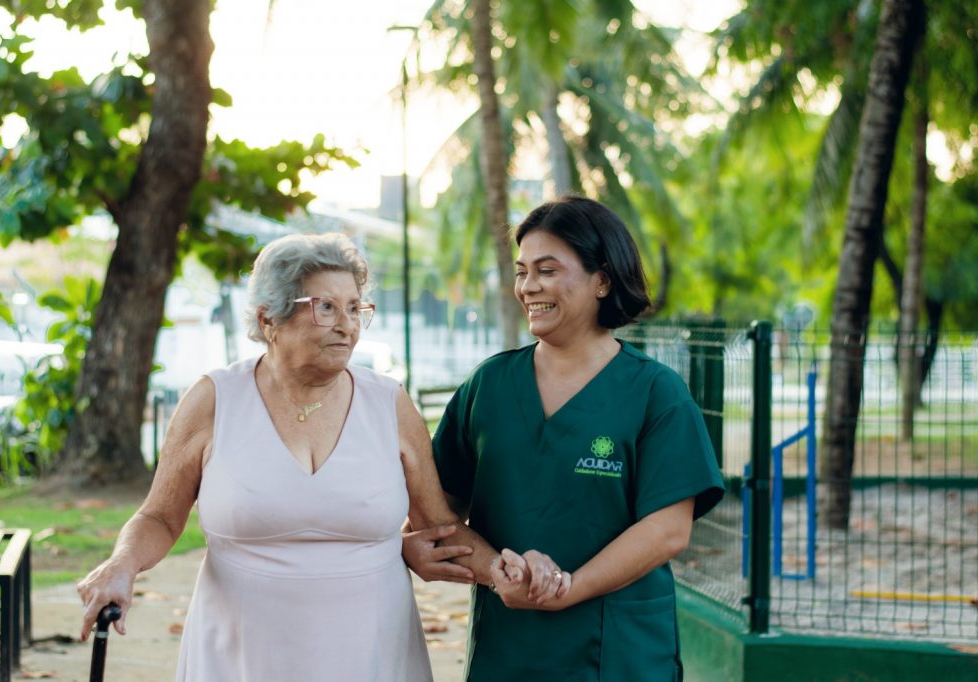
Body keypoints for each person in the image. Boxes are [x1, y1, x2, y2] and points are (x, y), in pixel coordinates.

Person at [77, 233, 487, 681]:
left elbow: (439, 528)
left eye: (354, 308)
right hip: (240, 654)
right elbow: (159, 517)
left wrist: (519, 571)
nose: (346, 324)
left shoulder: (388, 402)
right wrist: (122, 564)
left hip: (370, 651)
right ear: (268, 318)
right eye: (325, 307)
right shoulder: (213, 400)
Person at [404, 196, 725, 681]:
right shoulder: (488, 387)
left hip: (618, 652)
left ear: (602, 279)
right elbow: (437, 511)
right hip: (509, 650)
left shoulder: (655, 392)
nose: (529, 287)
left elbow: (667, 530)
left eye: (547, 270)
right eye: (521, 272)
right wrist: (495, 570)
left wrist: (567, 588)